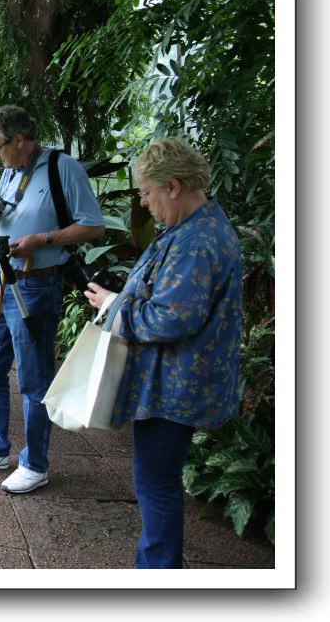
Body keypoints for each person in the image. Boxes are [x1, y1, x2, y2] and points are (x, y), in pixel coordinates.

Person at [84, 137, 242, 568]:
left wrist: (115, 305)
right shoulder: (198, 228)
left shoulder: (195, 241)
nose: (144, 202)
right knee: (158, 480)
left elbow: (173, 320)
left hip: (174, 388)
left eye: (147, 192)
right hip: (175, 382)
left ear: (173, 186)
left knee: (156, 482)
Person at [0, 104, 105, 494]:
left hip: (36, 283)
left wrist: (44, 239)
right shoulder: (11, 170)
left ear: (19, 140)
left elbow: (93, 226)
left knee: (33, 378)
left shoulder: (61, 167)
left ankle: (35, 463)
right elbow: (12, 214)